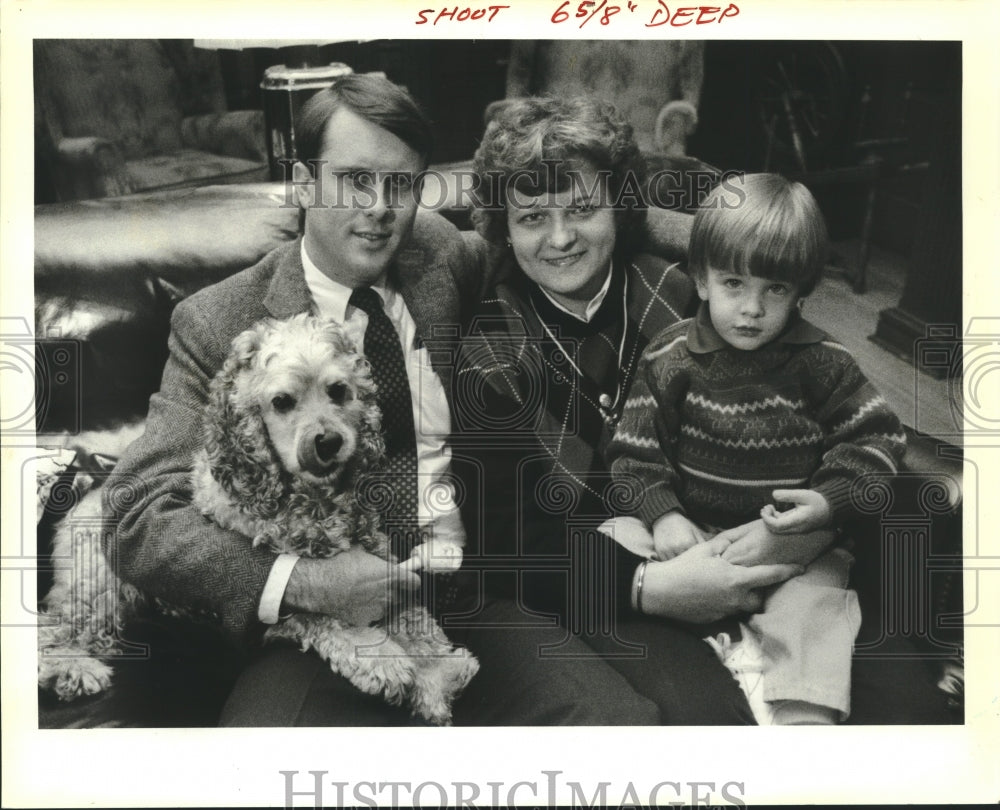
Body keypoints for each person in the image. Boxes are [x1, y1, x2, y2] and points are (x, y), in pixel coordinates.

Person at [101, 73, 691, 726]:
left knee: (615, 727)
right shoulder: (219, 320)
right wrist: (302, 581)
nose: (380, 207)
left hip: (470, 600)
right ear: (303, 182)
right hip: (322, 620)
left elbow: (565, 224)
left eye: (401, 185)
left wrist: (749, 239)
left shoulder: (439, 257)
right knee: (268, 753)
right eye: (355, 179)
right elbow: (136, 514)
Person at [448, 97, 808, 725]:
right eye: (533, 217)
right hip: (604, 591)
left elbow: (793, 421)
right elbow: (502, 545)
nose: (560, 238)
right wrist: (649, 586)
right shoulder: (487, 352)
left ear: (618, 203)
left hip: (742, 544)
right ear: (503, 229)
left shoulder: (692, 296)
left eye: (583, 208)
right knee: (710, 727)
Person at [606, 173, 906, 724]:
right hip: (692, 535)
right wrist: (664, 515)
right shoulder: (669, 356)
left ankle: (802, 719)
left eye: (775, 290)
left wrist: (829, 502)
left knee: (817, 614)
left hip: (794, 545)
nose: (752, 309)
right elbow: (631, 454)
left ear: (800, 292)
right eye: (734, 284)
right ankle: (706, 666)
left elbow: (877, 437)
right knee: (613, 539)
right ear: (700, 280)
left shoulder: (823, 362)